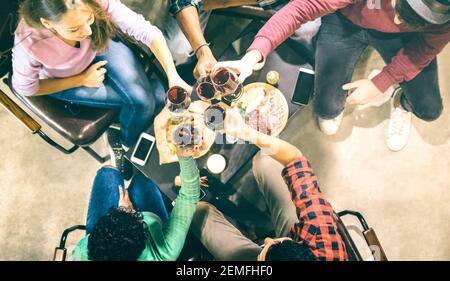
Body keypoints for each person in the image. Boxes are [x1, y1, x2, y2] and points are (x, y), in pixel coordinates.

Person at [217, 0, 449, 151]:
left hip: (401, 42)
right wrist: (254, 55)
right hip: (345, 23)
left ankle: (400, 99)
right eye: (401, 10)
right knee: (327, 108)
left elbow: (425, 49)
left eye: (415, 21)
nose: (397, 20)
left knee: (429, 110)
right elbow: (301, 9)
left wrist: (382, 82)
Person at [12, 0, 191, 174]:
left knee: (151, 99)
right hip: (66, 78)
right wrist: (81, 80)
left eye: (89, 18)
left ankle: (125, 134)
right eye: (74, 28)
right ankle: (124, 144)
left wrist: (173, 75)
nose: (87, 31)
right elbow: (25, 88)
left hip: (100, 47)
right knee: (149, 101)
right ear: (47, 23)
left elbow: (147, 31)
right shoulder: (29, 40)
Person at [190, 108, 348, 261]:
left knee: (197, 213)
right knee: (265, 159)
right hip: (300, 238)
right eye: (277, 241)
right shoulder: (323, 240)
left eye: (264, 254)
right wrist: (245, 132)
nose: (267, 239)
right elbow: (294, 160)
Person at [72, 146, 201, 261]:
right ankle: (136, 175)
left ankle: (123, 169)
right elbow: (189, 196)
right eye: (137, 218)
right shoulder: (164, 254)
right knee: (144, 178)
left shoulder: (84, 251)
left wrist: (123, 209)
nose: (134, 211)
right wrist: (185, 156)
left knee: (107, 171)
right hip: (154, 223)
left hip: (111, 235)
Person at [168, 0, 321, 78]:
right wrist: (202, 51)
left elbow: (300, 11)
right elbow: (181, 2)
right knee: (179, 51)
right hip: (199, 3)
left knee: (308, 28)